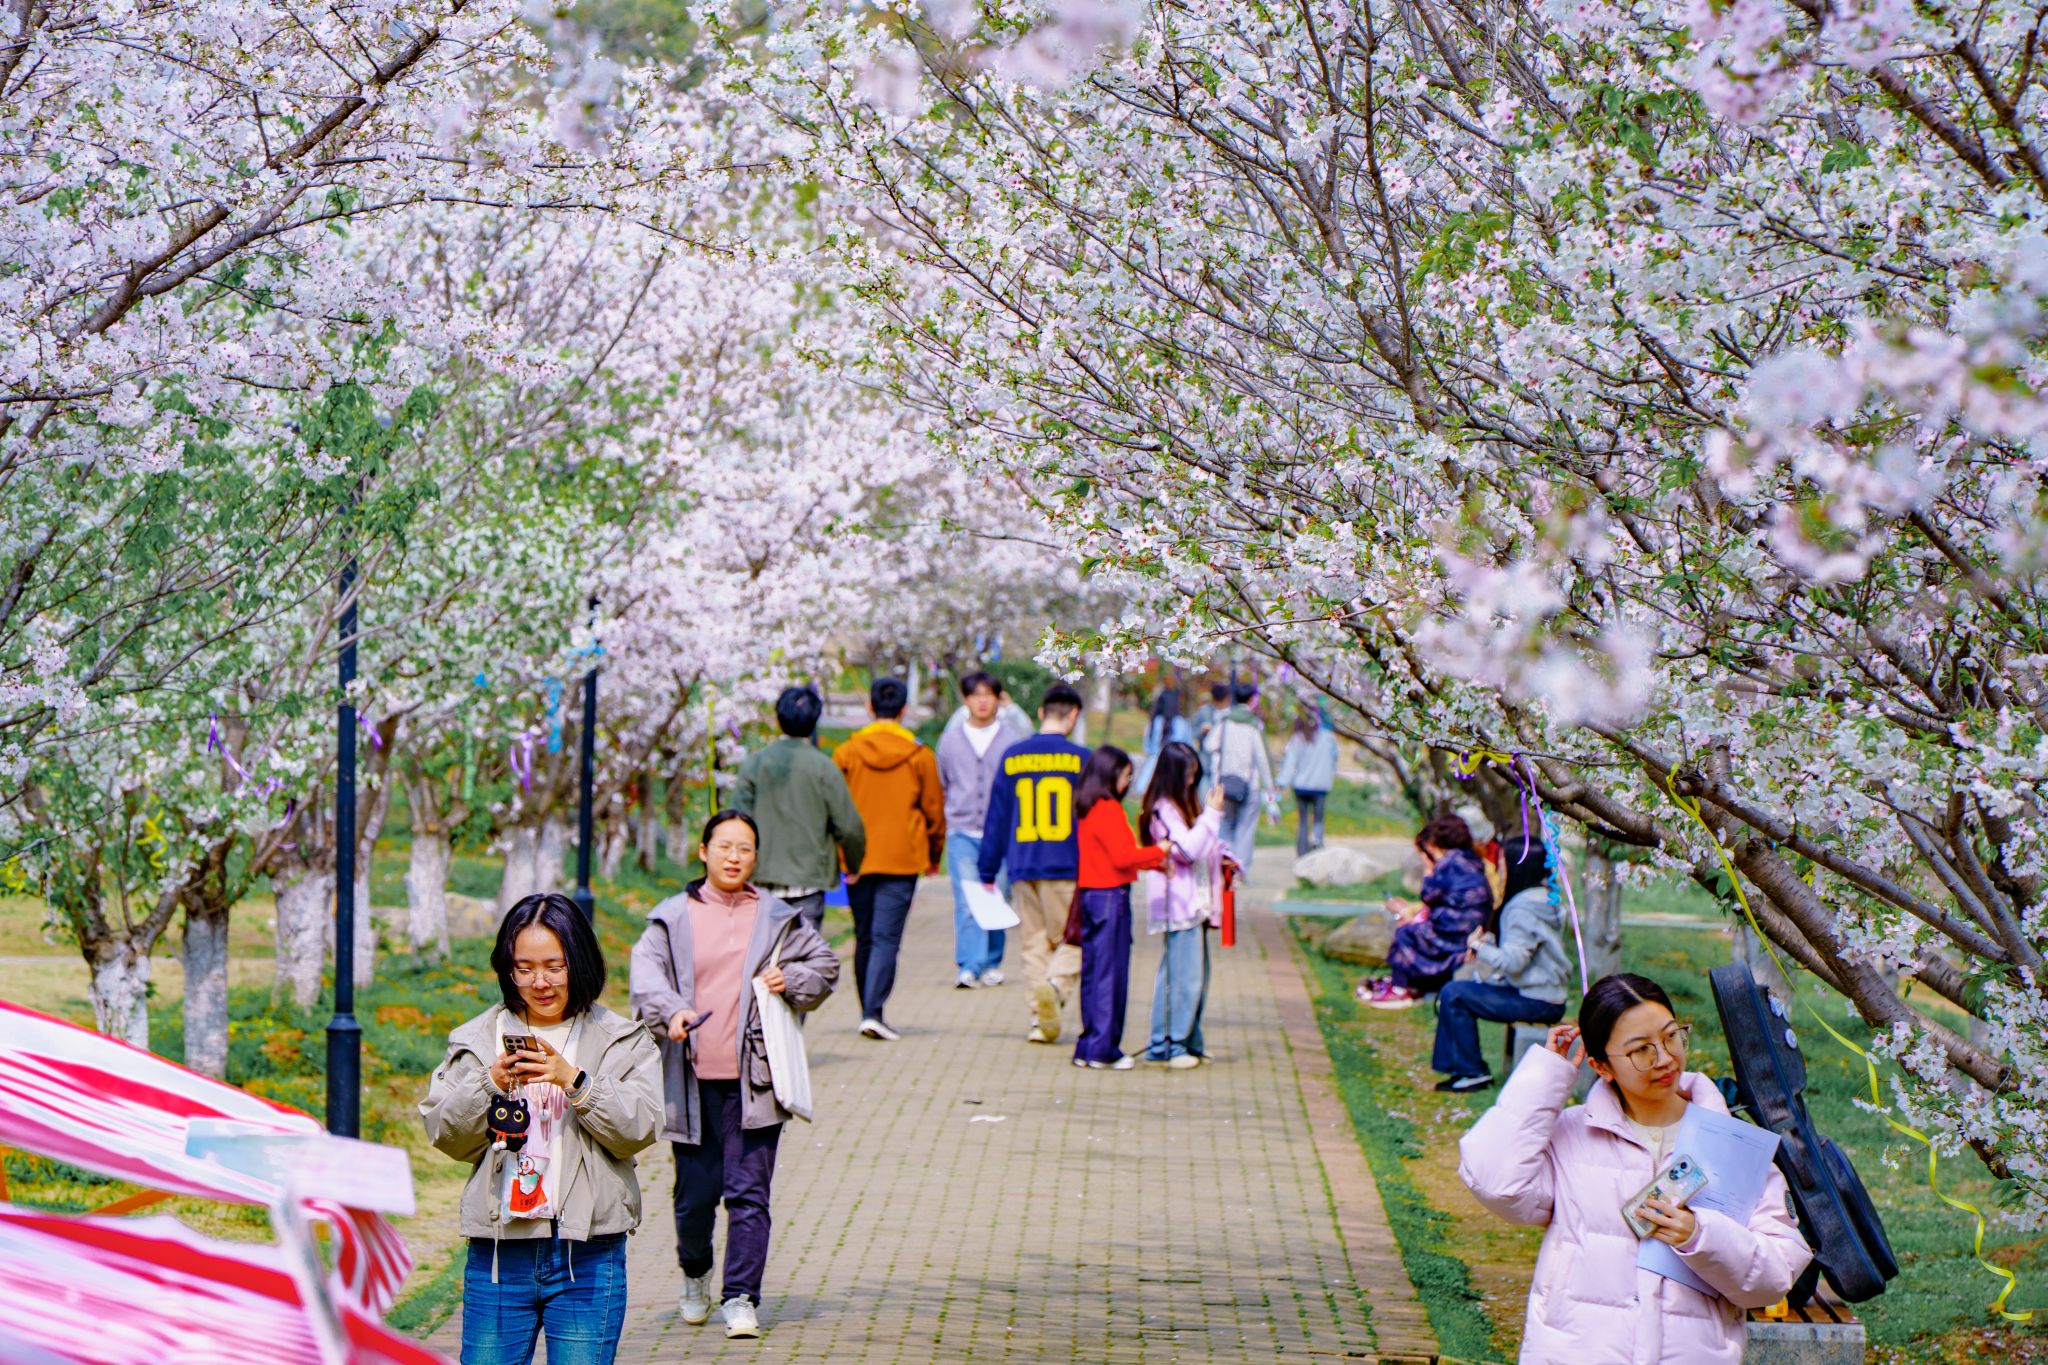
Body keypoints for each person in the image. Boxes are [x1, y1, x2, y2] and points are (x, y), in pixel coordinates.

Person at [1459, 974, 1811, 1362]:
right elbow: (1496, 1183)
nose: (1665, 1058)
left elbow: (1775, 1276)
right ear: (1600, 1066)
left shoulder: (1732, 1143)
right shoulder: (1571, 1136)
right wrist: (1544, 1078)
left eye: (1672, 1036)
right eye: (1641, 1050)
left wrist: (1700, 1236)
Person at [420, 893, 662, 1365]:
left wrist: (576, 1082)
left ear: (579, 962)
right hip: (499, 1254)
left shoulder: (620, 1039)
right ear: (507, 969)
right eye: (524, 968)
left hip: (587, 1253)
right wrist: (489, 1083)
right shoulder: (477, 1038)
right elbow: (444, 1132)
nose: (540, 982)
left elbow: (642, 1127)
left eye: (554, 966)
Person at [629, 810, 840, 1341]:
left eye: (745, 848)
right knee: (695, 1198)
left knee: (749, 1195)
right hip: (691, 1080)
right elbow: (646, 977)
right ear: (703, 851)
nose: (733, 857)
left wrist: (790, 976)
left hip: (758, 1081)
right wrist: (671, 1011)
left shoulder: (778, 918)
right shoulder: (671, 918)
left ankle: (741, 1296)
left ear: (756, 857)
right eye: (723, 846)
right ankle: (695, 1272)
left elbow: (826, 966)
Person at [977, 681, 1091, 1044]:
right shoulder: (1082, 760)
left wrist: (987, 868)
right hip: (1066, 863)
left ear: (1041, 713)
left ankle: (1038, 1021)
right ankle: (1055, 988)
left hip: (1023, 863)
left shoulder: (1013, 758)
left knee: (1034, 944)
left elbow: (997, 817)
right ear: (1073, 716)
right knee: (1074, 938)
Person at [833, 676, 946, 1041]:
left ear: (870, 707)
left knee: (864, 935)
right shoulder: (920, 755)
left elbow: (836, 809)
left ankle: (866, 1010)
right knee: (885, 938)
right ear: (904, 710)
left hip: (858, 859)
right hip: (903, 858)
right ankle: (873, 1011)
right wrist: (934, 855)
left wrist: (841, 857)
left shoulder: (847, 753)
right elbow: (934, 811)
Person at [1430, 834, 1572, 1092]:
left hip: (1536, 1001)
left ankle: (1471, 1072)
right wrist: (1488, 944)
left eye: (1503, 863)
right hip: (1546, 995)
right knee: (1457, 990)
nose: (1499, 869)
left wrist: (1477, 946)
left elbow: (1513, 962)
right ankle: (1465, 1069)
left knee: (1453, 993)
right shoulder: (1545, 899)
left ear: (1517, 866)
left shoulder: (1522, 908)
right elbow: (1526, 951)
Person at [729, 684, 866, 933]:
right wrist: (854, 865)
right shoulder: (824, 768)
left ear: (778, 718)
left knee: (762, 951)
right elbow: (848, 826)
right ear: (814, 720)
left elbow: (737, 823)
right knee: (804, 953)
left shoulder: (755, 764)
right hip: (809, 880)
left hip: (761, 879)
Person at [1070, 744, 1168, 1069]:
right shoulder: (1109, 809)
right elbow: (1124, 856)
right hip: (1111, 897)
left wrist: (1152, 861)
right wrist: (1161, 851)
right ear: (1111, 775)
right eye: (1126, 775)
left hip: (1091, 894)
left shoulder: (1087, 806)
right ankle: (1104, 1048)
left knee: (1093, 972)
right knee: (1110, 975)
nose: (1127, 783)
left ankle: (1088, 1044)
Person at [936, 670, 1031, 989]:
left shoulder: (1010, 739)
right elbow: (943, 780)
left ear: (998, 700)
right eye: (975, 695)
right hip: (962, 830)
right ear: (965, 700)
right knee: (967, 900)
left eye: (988, 695)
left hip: (1001, 832)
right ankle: (969, 964)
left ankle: (992, 962)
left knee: (997, 896)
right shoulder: (951, 739)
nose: (982, 701)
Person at [1138, 741, 1230, 1067]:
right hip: (1178, 906)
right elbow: (1189, 850)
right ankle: (1169, 1044)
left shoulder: (1180, 807)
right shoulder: (1163, 810)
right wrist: (1212, 814)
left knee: (1194, 977)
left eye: (1195, 774)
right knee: (1183, 979)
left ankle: (1186, 1041)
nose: (1192, 781)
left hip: (1194, 904)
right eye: (1187, 775)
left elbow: (1201, 845)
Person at [1365, 813, 1496, 1010]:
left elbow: (1428, 894)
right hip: (1471, 931)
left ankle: (1400, 990)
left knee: (1405, 933)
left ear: (1435, 843)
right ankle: (1414, 987)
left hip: (1452, 935)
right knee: (1415, 928)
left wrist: (1428, 868)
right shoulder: (1472, 860)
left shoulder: (1449, 863)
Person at [1201, 681, 1276, 872]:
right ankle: (1240, 871)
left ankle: (1225, 870)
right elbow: (1262, 760)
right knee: (1245, 830)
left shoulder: (1225, 722)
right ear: (1251, 700)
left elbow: (1209, 745)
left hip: (1225, 784)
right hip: (1249, 785)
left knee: (1225, 826)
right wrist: (1270, 791)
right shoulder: (1254, 725)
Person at [1275, 708, 1339, 856]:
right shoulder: (1328, 737)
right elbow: (1334, 758)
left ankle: (1302, 852)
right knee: (1318, 819)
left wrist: (1282, 782)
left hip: (1301, 786)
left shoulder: (1298, 738)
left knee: (1303, 820)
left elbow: (1290, 763)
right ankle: (1317, 847)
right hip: (1320, 786)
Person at [1132, 686, 1192, 795]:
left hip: (1152, 768)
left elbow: (1147, 747)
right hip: (1174, 768)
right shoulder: (1182, 723)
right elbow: (1188, 747)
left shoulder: (1154, 722)